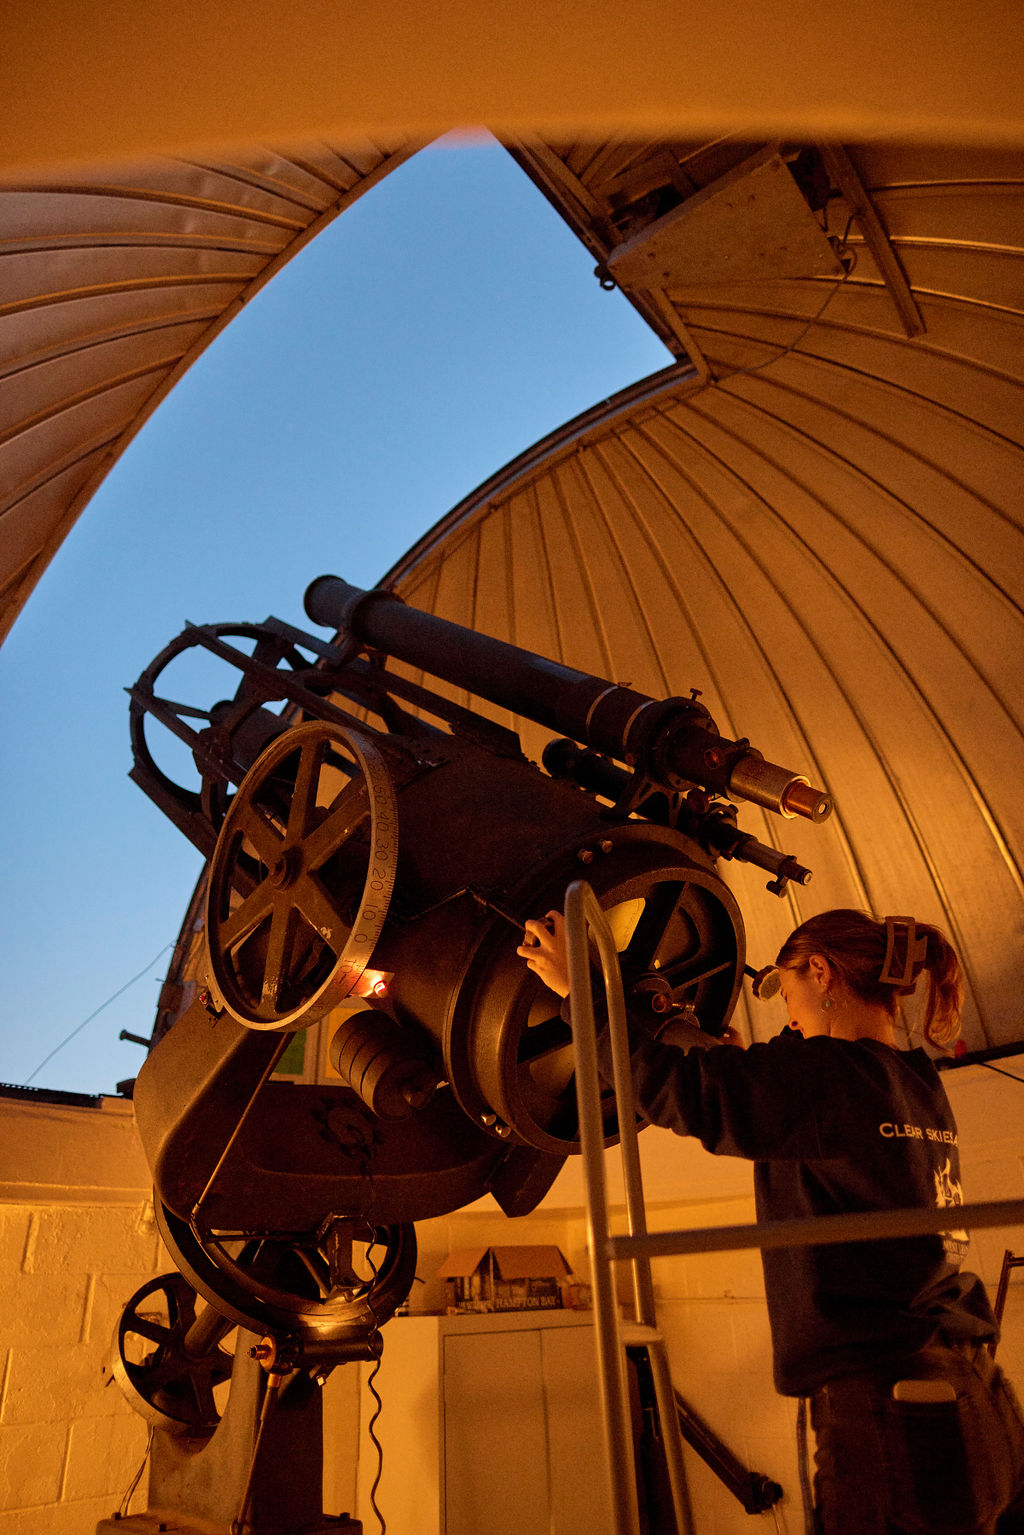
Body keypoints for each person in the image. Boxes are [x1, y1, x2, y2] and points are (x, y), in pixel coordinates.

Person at [518, 905, 1024, 1534]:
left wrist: (581, 991)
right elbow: (783, 1091)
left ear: (820, 972)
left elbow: (679, 1091)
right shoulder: (915, 1082)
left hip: (894, 1415)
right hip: (978, 1397)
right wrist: (728, 1054)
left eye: (788, 991)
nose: (787, 1014)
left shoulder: (823, 1078)